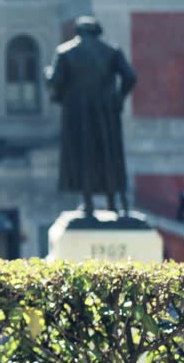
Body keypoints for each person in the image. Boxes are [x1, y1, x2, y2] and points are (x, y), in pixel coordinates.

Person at [45, 15, 136, 218]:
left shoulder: (66, 52)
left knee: (83, 155)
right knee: (109, 154)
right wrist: (119, 98)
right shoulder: (111, 51)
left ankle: (88, 204)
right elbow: (130, 77)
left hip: (78, 114)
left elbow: (54, 82)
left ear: (78, 32)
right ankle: (113, 203)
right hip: (106, 112)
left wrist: (47, 74)